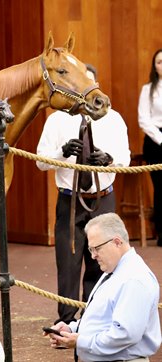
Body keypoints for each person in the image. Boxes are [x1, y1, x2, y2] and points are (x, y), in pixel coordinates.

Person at [36, 64, 131, 325]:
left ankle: (94, 319)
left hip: (103, 198)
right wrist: (62, 153)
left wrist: (109, 159)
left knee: (101, 262)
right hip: (69, 199)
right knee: (67, 263)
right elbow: (41, 161)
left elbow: (125, 159)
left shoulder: (115, 118)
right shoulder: (56, 120)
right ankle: (65, 320)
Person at [45, 212, 161, 362]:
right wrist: (71, 329)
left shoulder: (133, 279)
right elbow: (101, 317)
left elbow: (124, 334)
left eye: (96, 249)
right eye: (91, 250)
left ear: (117, 242)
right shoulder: (116, 271)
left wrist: (80, 341)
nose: (93, 256)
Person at [138, 49, 162, 247]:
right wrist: (161, 139)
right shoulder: (148, 89)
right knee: (160, 188)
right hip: (156, 142)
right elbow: (143, 119)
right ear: (154, 66)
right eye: (159, 62)